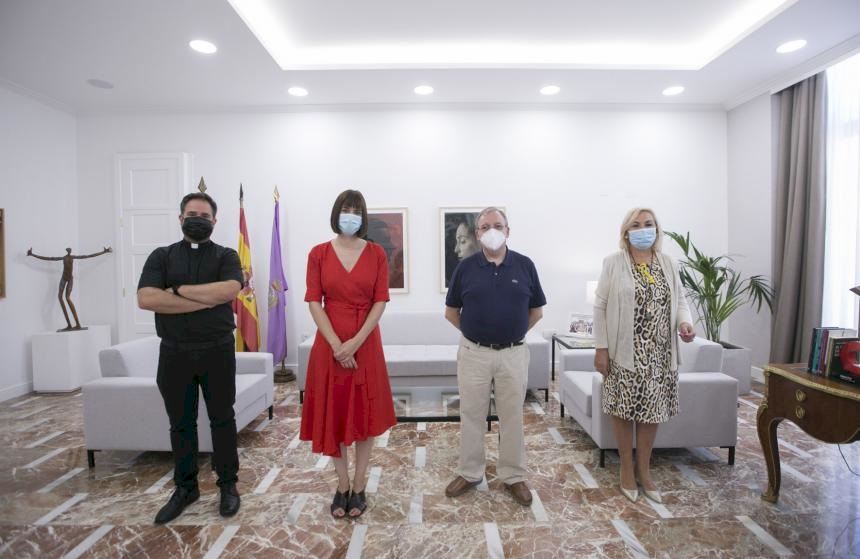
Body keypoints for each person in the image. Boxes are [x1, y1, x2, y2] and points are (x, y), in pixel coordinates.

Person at [137, 192, 244, 524]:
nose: (198, 219)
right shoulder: (162, 256)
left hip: (217, 350)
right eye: (192, 214)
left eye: (204, 215)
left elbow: (229, 290)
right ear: (180, 218)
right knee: (180, 424)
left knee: (222, 419)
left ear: (215, 221)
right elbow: (146, 298)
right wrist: (205, 299)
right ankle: (185, 489)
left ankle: (228, 485)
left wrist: (177, 290)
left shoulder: (226, 255)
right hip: (174, 353)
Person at [300, 189, 397, 519]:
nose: (350, 216)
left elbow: (380, 301)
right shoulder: (318, 254)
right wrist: (337, 345)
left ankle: (359, 485)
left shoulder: (376, 253)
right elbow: (314, 301)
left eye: (356, 210)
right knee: (335, 413)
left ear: (363, 216)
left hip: (365, 343)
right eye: (346, 209)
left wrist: (354, 343)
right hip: (329, 345)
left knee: (364, 416)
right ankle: (341, 485)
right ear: (336, 213)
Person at [443, 207, 546, 506]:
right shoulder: (465, 268)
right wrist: (476, 334)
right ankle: (470, 472)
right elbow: (451, 312)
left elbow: (536, 311)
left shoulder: (525, 265)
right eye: (485, 226)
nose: (492, 230)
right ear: (477, 234)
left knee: (512, 417)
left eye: (498, 225)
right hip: (473, 354)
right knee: (471, 414)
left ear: (508, 231)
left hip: (513, 354)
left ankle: (513, 476)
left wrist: (511, 334)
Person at [592, 207, 696, 504]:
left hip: (660, 355)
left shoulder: (668, 263)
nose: (642, 229)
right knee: (623, 410)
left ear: (657, 229)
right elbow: (600, 306)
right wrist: (601, 348)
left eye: (648, 224)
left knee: (652, 413)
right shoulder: (613, 263)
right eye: (636, 225)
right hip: (624, 352)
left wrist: (685, 323)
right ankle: (626, 468)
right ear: (626, 232)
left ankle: (644, 469)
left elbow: (680, 300)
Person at [26, 246, 112, 331]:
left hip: (70, 279)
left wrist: (104, 252)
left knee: (67, 298)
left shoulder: (72, 257)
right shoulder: (64, 258)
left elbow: (88, 256)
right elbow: (49, 258)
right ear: (67, 251)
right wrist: (32, 254)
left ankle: (77, 324)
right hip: (63, 278)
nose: (69, 251)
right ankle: (69, 325)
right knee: (60, 297)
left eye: (69, 250)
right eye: (68, 250)